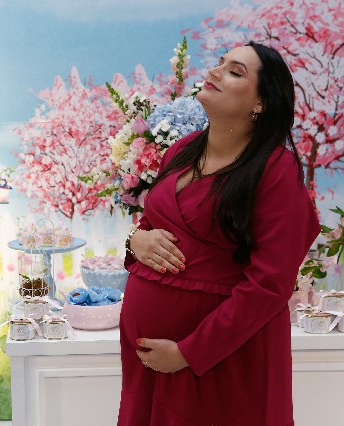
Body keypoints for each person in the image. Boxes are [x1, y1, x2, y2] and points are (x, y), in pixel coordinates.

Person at [117, 41, 320, 426]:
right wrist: (135, 241)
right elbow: (151, 227)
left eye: (235, 71)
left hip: (223, 359)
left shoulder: (275, 169)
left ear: (260, 103)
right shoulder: (181, 150)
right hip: (149, 363)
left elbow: (270, 285)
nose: (214, 71)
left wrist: (189, 353)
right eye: (220, 63)